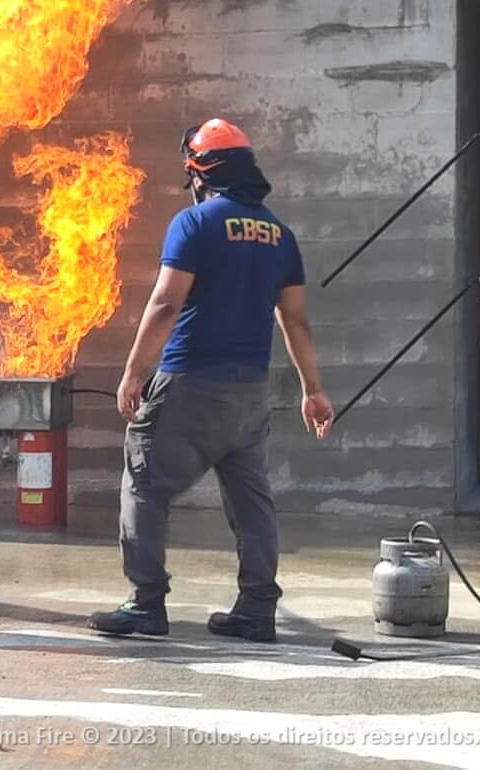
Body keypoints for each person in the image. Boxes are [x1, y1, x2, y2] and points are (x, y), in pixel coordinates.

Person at [89, 118, 334, 642]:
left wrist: (134, 372)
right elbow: (295, 320)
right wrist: (314, 390)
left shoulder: (194, 224)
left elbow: (165, 303)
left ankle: (146, 605)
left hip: (190, 384)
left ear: (201, 172)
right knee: (251, 500)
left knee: (145, 485)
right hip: (250, 392)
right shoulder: (279, 236)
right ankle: (256, 608)